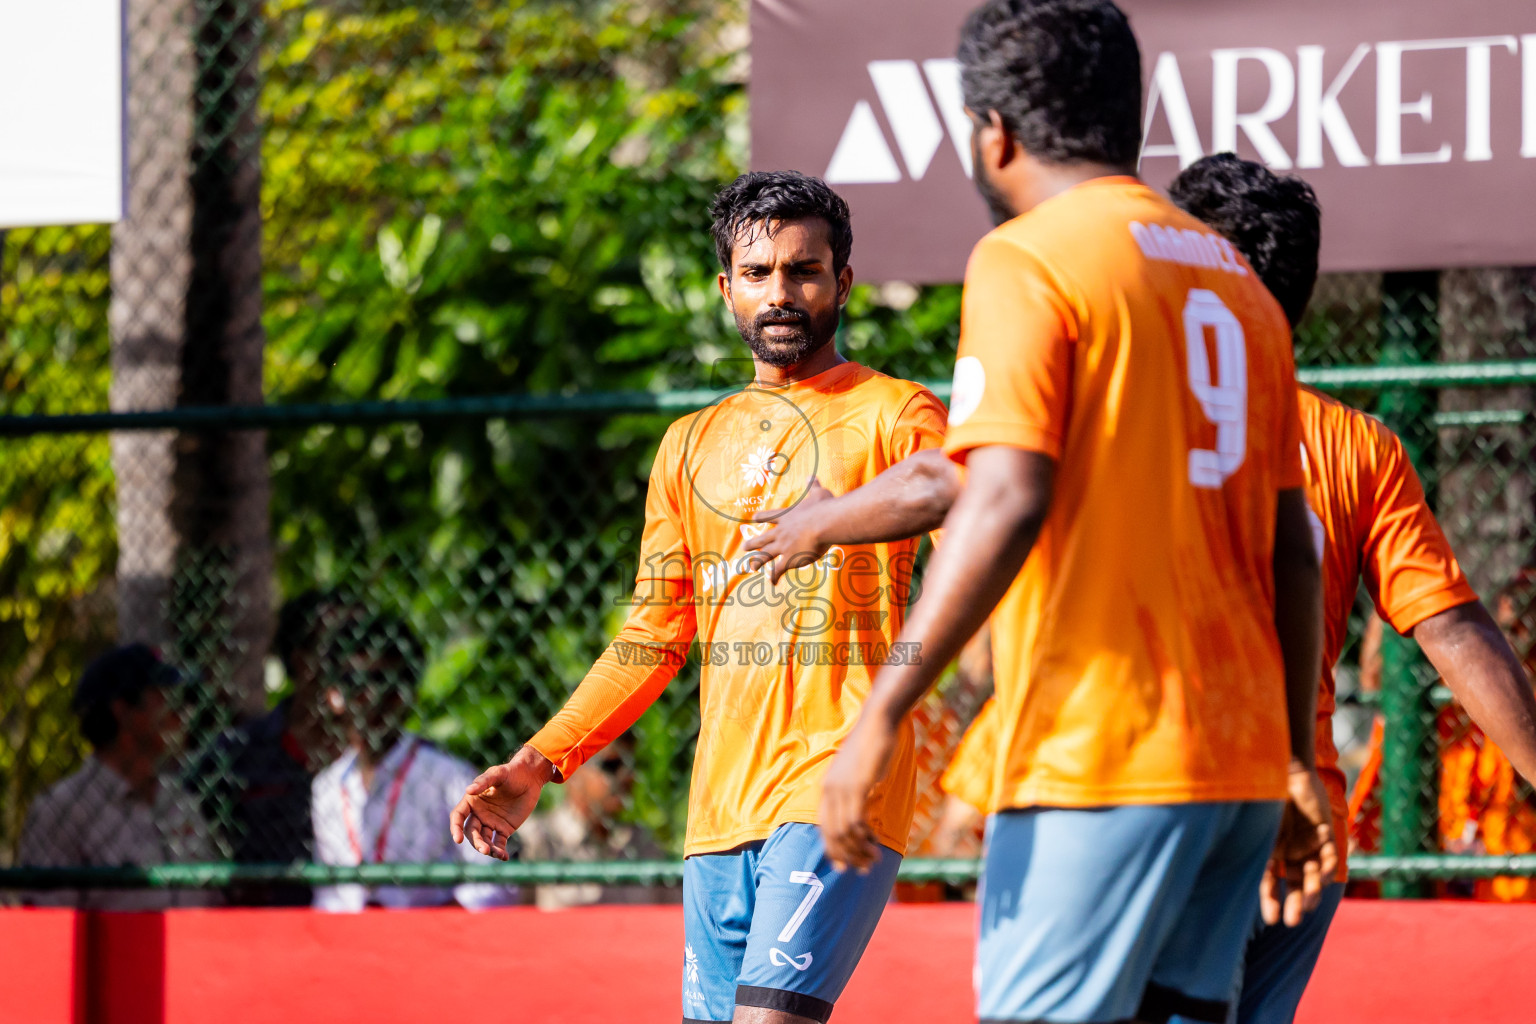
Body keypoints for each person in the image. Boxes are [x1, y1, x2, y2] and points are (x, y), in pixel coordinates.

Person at [754, 4, 1336, 1021]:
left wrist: (880, 717)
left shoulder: (1029, 258)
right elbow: (1296, 551)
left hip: (1101, 752)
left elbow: (1003, 494)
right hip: (1241, 767)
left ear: (994, 130)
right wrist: (1291, 757)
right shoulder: (1237, 279)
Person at [451, 170, 948, 1024]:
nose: (781, 293)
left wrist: (842, 523)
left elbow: (970, 511)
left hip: (835, 780)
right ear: (726, 289)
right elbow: (651, 636)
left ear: (844, 283)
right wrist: (541, 762)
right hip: (717, 813)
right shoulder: (688, 444)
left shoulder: (894, 413)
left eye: (805, 270)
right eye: (758, 274)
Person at [311, 609, 514, 912]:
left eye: (386, 682)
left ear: (407, 693)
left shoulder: (447, 777)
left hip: (430, 944)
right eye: (356, 682)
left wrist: (431, 926)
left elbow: (496, 883)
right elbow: (329, 897)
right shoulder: (327, 787)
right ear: (334, 695)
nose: (372, 696)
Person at [18, 644, 219, 910]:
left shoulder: (179, 800)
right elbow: (48, 928)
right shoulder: (64, 810)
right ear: (123, 710)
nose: (179, 712)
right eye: (163, 696)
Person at [200, 592, 345, 905]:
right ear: (300, 661)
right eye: (335, 649)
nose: (350, 663)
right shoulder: (238, 752)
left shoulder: (379, 754)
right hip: (263, 924)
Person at [514, 732, 677, 909]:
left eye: (631, 765)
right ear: (572, 770)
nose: (627, 776)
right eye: (611, 766)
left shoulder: (644, 845)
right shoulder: (537, 840)